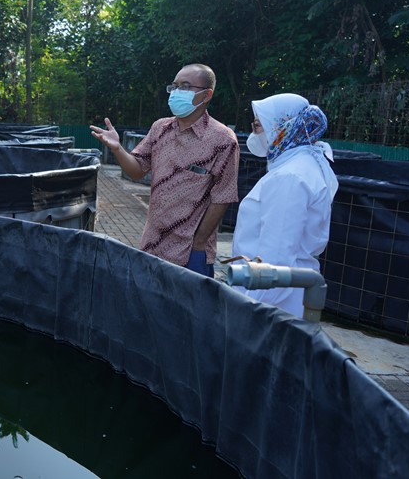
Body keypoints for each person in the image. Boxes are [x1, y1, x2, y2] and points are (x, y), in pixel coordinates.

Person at [90, 63, 239, 277]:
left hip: (190, 252)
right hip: (152, 243)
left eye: (186, 87)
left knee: (186, 310)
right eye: (175, 86)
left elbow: (223, 197)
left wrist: (198, 243)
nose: (177, 92)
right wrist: (117, 148)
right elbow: (137, 170)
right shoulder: (160, 128)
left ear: (207, 95)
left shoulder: (222, 140)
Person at [231, 93, 339, 317]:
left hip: (273, 302)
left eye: (258, 125)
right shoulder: (302, 165)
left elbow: (276, 259)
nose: (254, 132)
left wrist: (249, 311)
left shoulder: (290, 177)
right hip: (283, 295)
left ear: (281, 127)